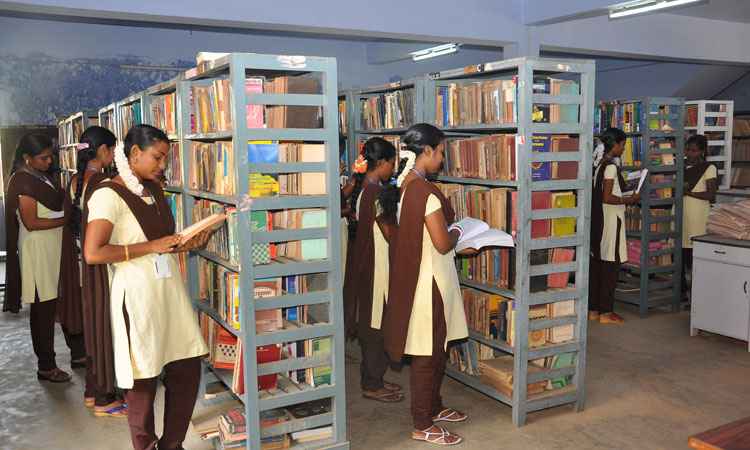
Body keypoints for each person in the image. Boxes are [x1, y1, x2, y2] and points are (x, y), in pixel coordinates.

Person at [83, 124, 211, 449]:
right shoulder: (107, 194)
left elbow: (160, 241)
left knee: (186, 368)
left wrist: (186, 244)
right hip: (137, 296)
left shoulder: (153, 189)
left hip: (169, 292)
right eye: (158, 156)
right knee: (142, 379)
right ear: (135, 153)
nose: (162, 165)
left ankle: (172, 444)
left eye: (165, 158)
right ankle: (146, 445)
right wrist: (152, 247)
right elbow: (93, 252)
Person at [381, 123, 469, 446]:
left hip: (423, 277)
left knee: (438, 350)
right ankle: (422, 424)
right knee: (427, 355)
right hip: (430, 282)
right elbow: (442, 243)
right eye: (441, 152)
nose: (443, 159)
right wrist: (459, 233)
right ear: (427, 150)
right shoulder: (424, 192)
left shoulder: (405, 185)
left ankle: (434, 407)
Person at [57, 126, 126, 416]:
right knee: (103, 329)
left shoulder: (76, 180)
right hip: (100, 266)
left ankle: (91, 391)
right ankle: (103, 398)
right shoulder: (102, 182)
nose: (114, 156)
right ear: (103, 150)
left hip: (82, 265)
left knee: (94, 328)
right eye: (113, 150)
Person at [3, 132, 82, 382]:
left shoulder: (40, 175)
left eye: (50, 157)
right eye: (43, 158)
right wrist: (67, 219)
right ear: (27, 157)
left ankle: (79, 354)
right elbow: (32, 223)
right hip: (38, 250)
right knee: (43, 309)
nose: (49, 162)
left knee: (65, 298)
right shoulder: (22, 182)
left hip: (55, 246)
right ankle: (46, 366)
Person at [342, 137, 403, 403]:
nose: (393, 169)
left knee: (374, 324)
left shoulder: (364, 188)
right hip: (378, 268)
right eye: (391, 163)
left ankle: (374, 377)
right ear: (381, 162)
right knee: (376, 326)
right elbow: (391, 235)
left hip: (367, 266)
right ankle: (372, 384)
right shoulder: (376, 193)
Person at [589, 128, 641, 324]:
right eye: (623, 144)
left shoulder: (599, 165)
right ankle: (606, 311)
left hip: (600, 219)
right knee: (611, 266)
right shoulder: (610, 167)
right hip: (611, 220)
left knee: (598, 265)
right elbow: (608, 197)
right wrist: (629, 199)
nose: (624, 148)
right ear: (616, 145)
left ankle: (594, 308)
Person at [680, 134, 716, 304]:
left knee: (695, 258)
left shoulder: (708, 168)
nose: (690, 154)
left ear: (703, 151)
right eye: (688, 150)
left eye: (694, 151)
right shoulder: (683, 167)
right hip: (681, 213)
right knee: (679, 256)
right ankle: (681, 292)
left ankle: (696, 298)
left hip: (697, 216)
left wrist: (689, 193)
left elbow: (710, 194)